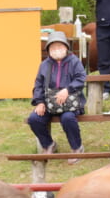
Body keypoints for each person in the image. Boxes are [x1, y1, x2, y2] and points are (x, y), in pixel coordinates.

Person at [27, 31, 86, 162]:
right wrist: (40, 102)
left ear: (66, 47)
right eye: (53, 47)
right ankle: (48, 144)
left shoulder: (74, 61)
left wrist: (68, 90)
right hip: (49, 103)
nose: (56, 50)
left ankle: (77, 148)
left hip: (71, 103)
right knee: (34, 119)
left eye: (60, 46)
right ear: (48, 50)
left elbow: (81, 78)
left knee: (68, 118)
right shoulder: (44, 65)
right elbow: (38, 85)